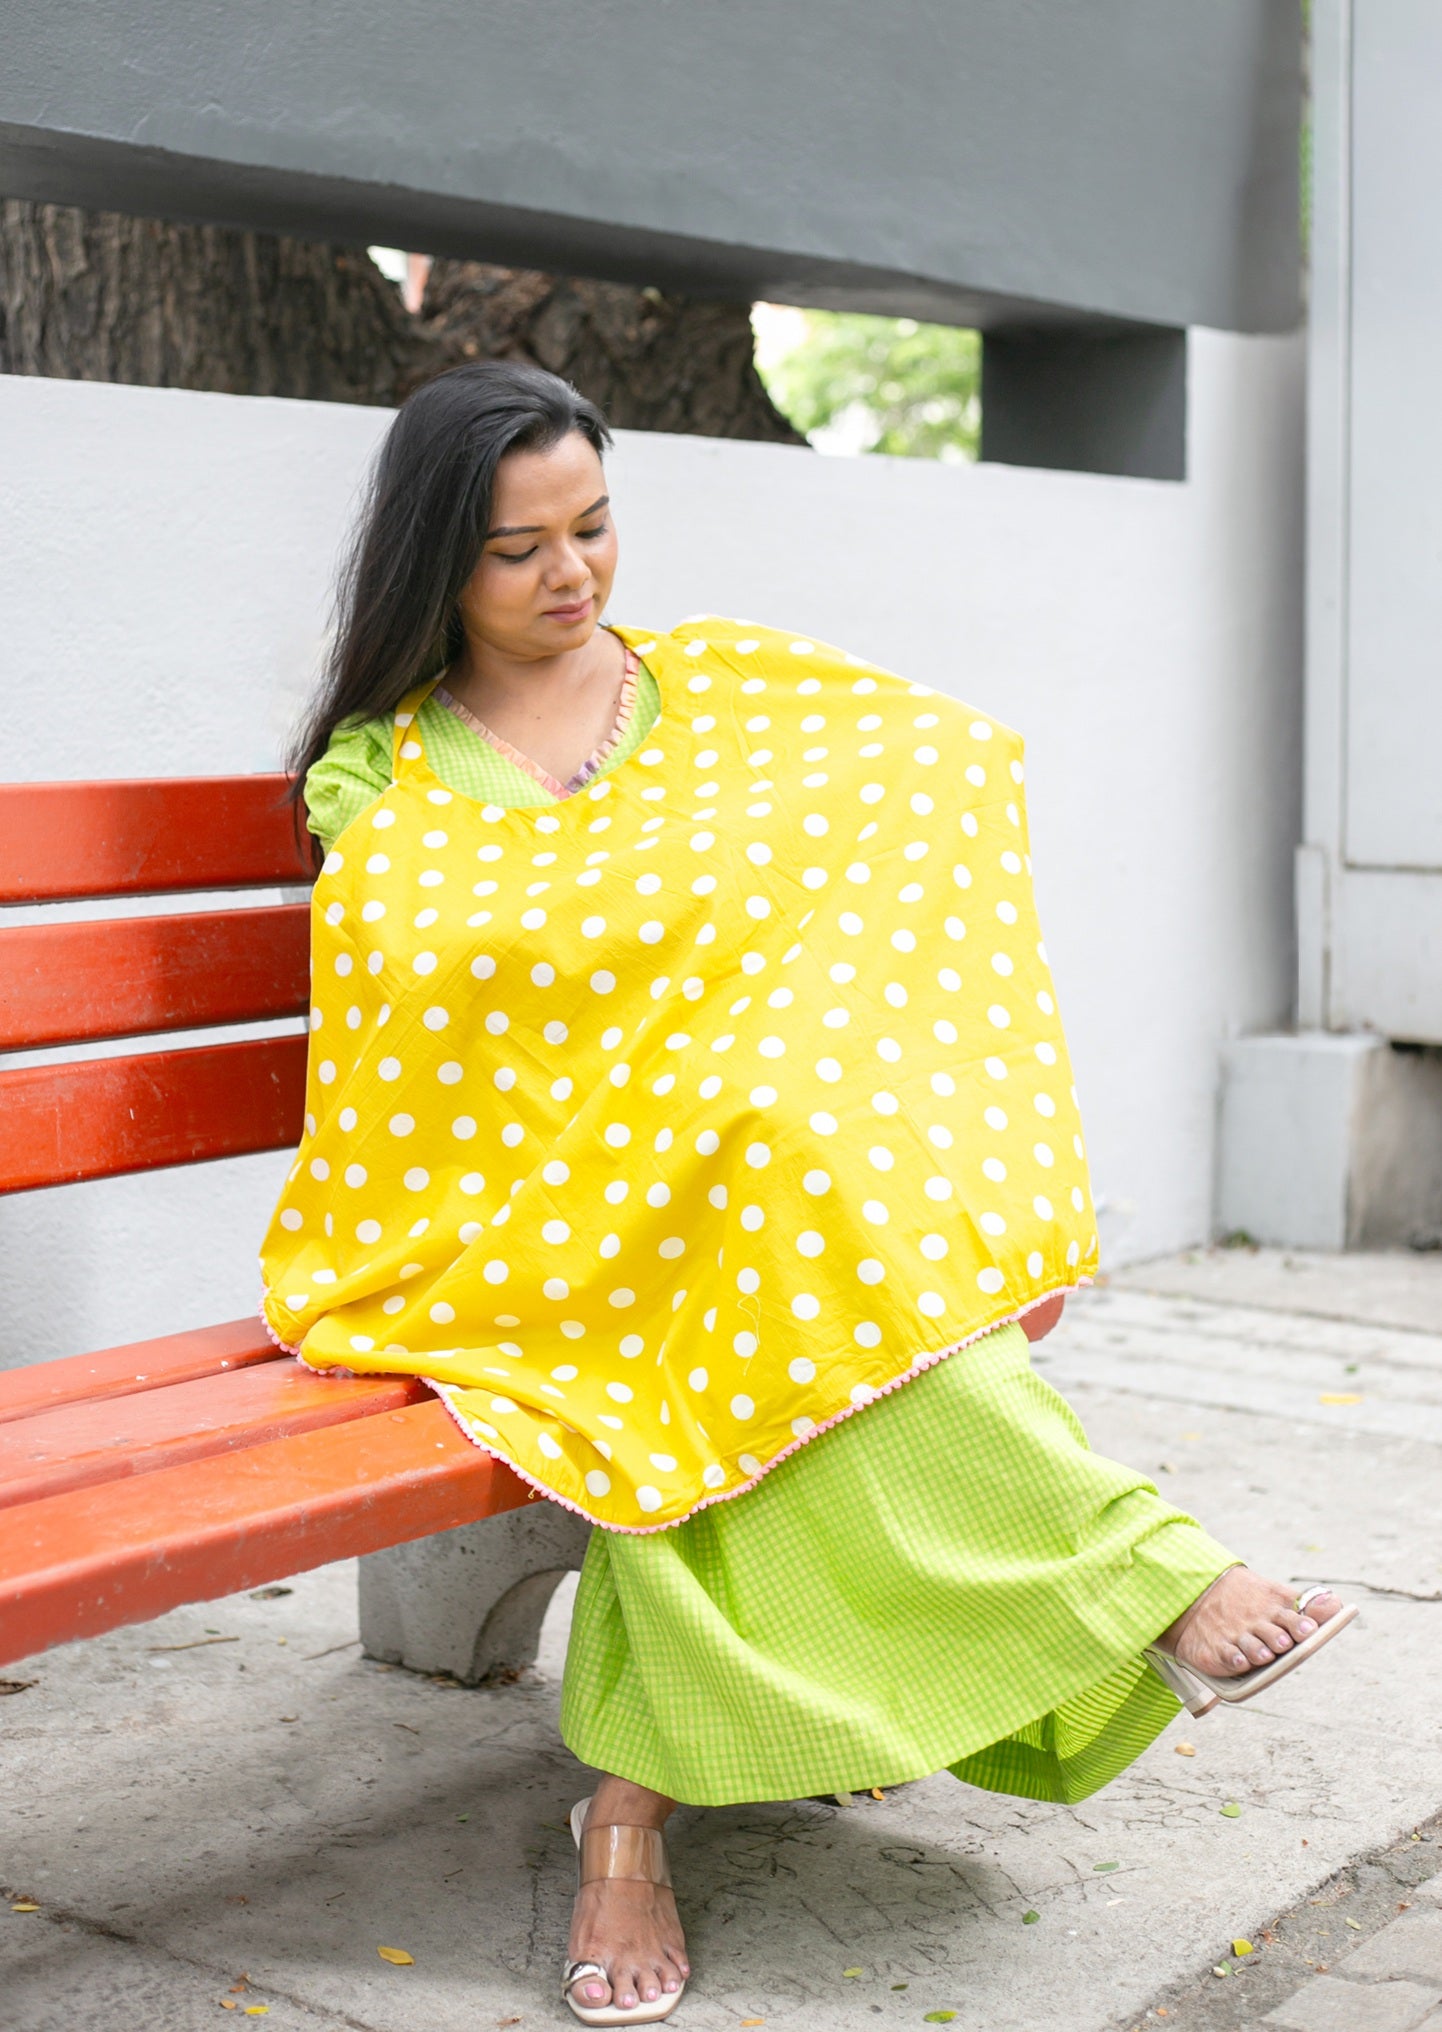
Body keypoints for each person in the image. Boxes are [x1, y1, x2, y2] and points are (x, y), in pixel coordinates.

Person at [264, 360, 1354, 2027]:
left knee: (756, 1262)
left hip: (733, 1198)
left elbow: (935, 771)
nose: (572, 574)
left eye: (596, 526)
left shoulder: (711, 693)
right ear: (433, 561)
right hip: (511, 1221)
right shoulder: (385, 774)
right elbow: (420, 1001)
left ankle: (626, 1819)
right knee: (749, 1269)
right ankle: (1134, 1574)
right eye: (516, 549)